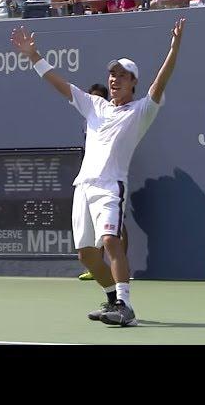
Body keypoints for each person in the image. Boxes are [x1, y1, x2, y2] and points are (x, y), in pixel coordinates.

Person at [10, 18, 186, 326]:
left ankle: (126, 306)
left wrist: (173, 48)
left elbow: (161, 82)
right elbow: (59, 83)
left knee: (110, 242)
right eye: (112, 74)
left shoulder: (141, 111)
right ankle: (111, 300)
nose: (115, 79)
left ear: (134, 82)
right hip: (84, 187)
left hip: (110, 186)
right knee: (86, 255)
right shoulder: (94, 105)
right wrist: (34, 56)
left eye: (122, 75)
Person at [78, 83, 129, 281]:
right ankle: (97, 268)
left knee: (115, 229)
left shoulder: (115, 115)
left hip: (112, 180)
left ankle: (121, 264)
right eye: (93, 97)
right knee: (92, 235)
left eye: (99, 97)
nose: (95, 100)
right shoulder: (89, 120)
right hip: (91, 179)